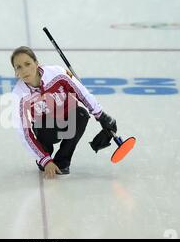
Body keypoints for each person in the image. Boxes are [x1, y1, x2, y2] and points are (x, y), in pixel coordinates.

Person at [11, 46, 117, 179]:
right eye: (18, 67)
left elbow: (81, 93)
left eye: (27, 64)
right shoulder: (19, 94)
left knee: (81, 114)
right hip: (46, 130)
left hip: (67, 121)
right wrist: (45, 159)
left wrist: (101, 115)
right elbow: (24, 133)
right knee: (42, 127)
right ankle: (46, 154)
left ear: (36, 63)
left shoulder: (57, 74)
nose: (24, 70)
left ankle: (62, 161)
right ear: (15, 72)